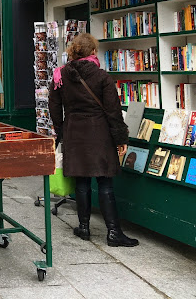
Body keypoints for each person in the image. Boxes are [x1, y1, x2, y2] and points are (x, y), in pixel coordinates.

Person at [48, 33, 138, 247]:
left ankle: (84, 227)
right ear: (93, 52)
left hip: (74, 133)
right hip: (100, 133)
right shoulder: (101, 76)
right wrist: (120, 138)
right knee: (105, 183)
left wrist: (62, 130)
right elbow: (113, 111)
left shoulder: (60, 75)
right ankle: (114, 233)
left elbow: (53, 107)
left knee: (82, 181)